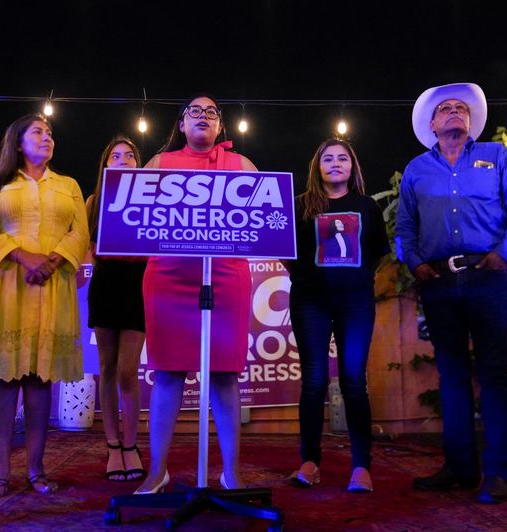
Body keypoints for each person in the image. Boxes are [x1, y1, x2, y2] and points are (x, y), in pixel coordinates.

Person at [396, 83, 507, 504]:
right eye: (446, 109)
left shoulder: (497, 157)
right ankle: (459, 467)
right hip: (438, 282)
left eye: (461, 108)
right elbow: (405, 228)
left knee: (493, 375)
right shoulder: (417, 170)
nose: (455, 112)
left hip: (487, 277)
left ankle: (496, 474)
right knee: (452, 376)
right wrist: (416, 263)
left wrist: (504, 254)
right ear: (432, 124)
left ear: (471, 121)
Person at [0, 114, 89, 498]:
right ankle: (0, 473)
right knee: (5, 378)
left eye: (50, 133)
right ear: (18, 142)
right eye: (38, 132)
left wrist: (50, 261)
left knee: (39, 379)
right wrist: (21, 256)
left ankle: (37, 470)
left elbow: (80, 233)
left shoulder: (68, 186)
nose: (47, 137)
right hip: (6, 285)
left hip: (52, 285)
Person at [134, 94, 256, 494]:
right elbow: (134, 217)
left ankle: (232, 472)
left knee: (224, 375)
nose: (203, 116)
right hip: (169, 278)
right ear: (182, 125)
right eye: (195, 112)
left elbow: (261, 224)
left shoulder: (243, 165)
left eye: (212, 113)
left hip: (226, 277)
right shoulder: (158, 164)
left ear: (221, 126)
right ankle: (158, 470)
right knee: (167, 372)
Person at [285, 138, 390, 492]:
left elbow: (377, 253)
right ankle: (309, 461)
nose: (334, 163)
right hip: (310, 302)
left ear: (352, 166)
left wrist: (355, 278)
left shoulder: (366, 206)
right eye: (327, 158)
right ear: (317, 167)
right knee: (313, 382)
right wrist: (308, 279)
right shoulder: (301, 207)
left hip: (355, 302)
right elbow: (287, 252)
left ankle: (361, 467)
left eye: (342, 158)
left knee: (352, 381)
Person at [85, 136, 147, 482]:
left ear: (138, 163)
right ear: (106, 164)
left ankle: (131, 445)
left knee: (128, 370)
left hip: (137, 286)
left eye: (130, 155)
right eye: (116, 155)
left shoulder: (151, 198)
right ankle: (112, 445)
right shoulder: (94, 201)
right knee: (106, 367)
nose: (123, 159)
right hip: (106, 284)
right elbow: (88, 248)